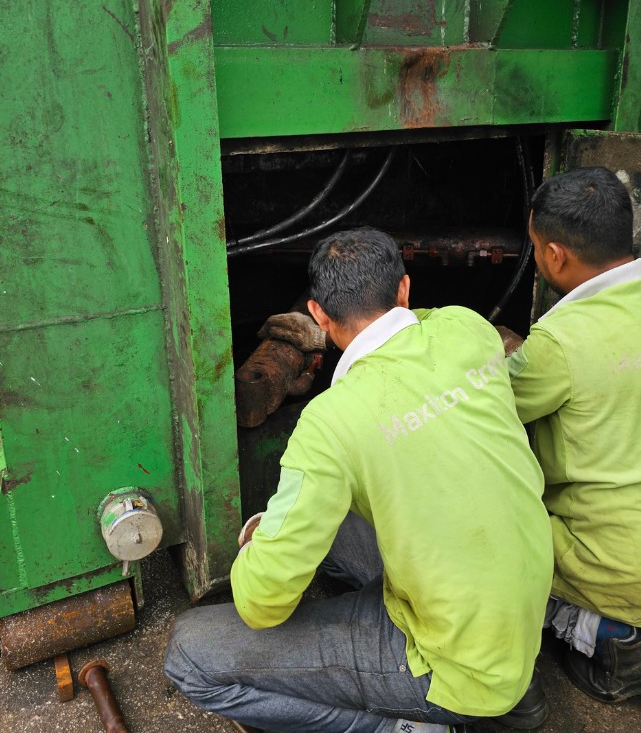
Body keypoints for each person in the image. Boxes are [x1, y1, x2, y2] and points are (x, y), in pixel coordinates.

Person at [165, 228, 551, 733]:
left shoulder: (330, 421)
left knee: (189, 653)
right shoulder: (467, 328)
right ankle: (517, 693)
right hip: (520, 619)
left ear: (318, 316)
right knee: (344, 515)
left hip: (454, 666)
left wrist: (257, 547)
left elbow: (262, 605)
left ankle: (406, 726)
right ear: (405, 289)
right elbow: (415, 329)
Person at [504, 167, 641, 702]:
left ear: (555, 254)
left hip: (623, 569)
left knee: (472, 520)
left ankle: (614, 638)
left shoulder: (559, 342)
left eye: (535, 248)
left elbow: (483, 412)